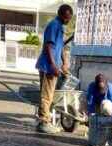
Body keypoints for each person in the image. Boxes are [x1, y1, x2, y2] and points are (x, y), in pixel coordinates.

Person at [35, 4, 73, 134]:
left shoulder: (60, 27)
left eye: (69, 18)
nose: (68, 20)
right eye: (66, 18)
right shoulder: (54, 25)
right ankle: (43, 122)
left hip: (53, 65)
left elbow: (60, 47)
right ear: (60, 14)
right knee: (46, 96)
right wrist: (52, 65)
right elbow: (49, 46)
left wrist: (64, 62)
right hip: (48, 66)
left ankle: (46, 120)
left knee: (50, 95)